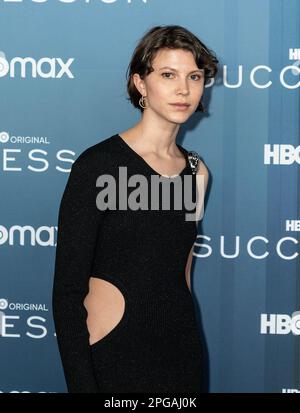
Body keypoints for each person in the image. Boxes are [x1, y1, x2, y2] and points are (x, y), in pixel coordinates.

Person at [52, 24, 218, 393]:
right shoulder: (99, 166)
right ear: (141, 84)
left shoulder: (197, 172)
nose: (183, 89)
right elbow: (66, 292)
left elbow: (182, 275)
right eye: (168, 75)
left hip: (180, 357)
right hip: (113, 356)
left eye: (194, 76)